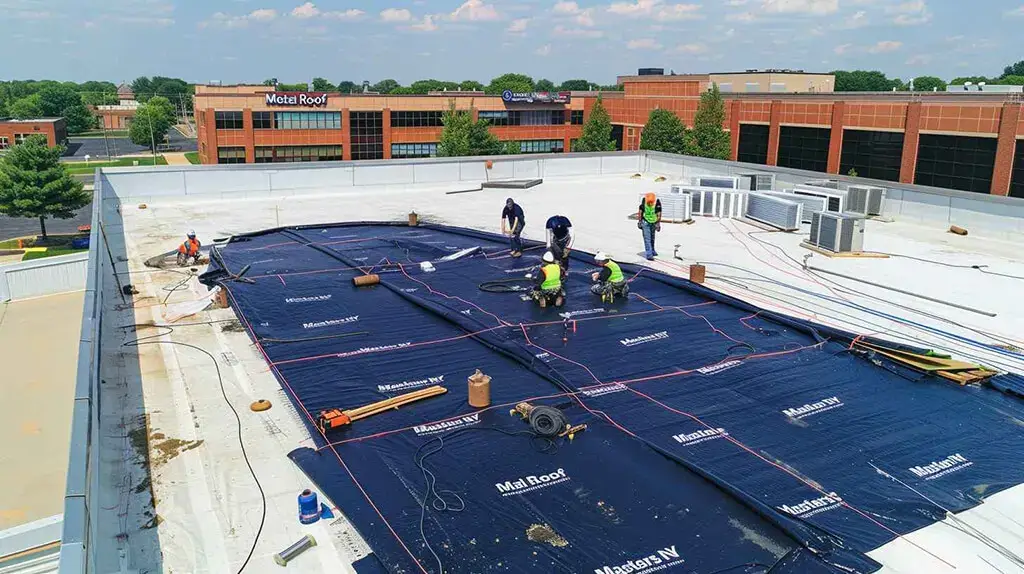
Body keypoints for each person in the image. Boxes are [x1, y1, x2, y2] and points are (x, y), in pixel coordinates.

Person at [637, 193, 662, 261]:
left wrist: (639, 222)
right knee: (652, 237)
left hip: (645, 222)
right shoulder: (657, 202)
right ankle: (651, 253)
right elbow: (659, 214)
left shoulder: (644, 201)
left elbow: (640, 212)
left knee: (647, 239)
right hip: (654, 222)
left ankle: (650, 253)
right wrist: (658, 224)